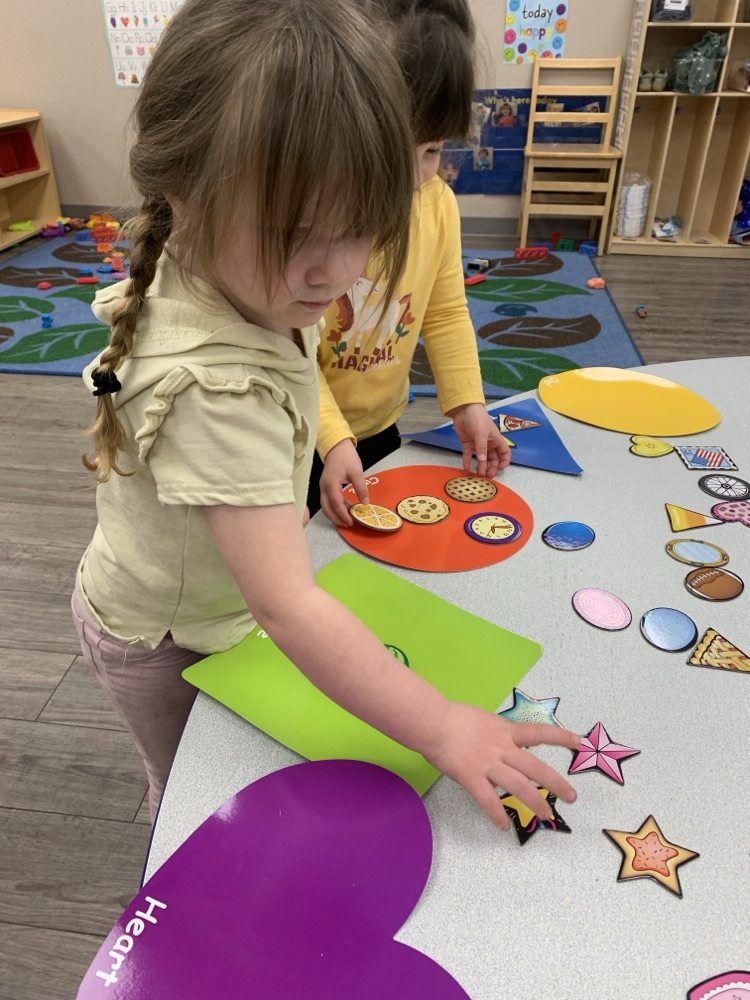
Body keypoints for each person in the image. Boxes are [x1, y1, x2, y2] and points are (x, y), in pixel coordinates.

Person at [73, 0, 580, 828]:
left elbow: (308, 356)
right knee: (198, 807)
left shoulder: (248, 280)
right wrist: (444, 724)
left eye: (363, 230)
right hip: (157, 642)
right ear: (184, 190)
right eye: (302, 232)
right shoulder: (217, 392)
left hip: (215, 608)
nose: (337, 274)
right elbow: (289, 604)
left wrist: (336, 434)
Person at [310, 0, 511, 525]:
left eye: (432, 150)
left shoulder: (438, 204)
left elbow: (444, 313)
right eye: (399, 149)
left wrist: (467, 403)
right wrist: (331, 441)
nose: (419, 174)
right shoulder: (318, 217)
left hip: (381, 427)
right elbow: (286, 349)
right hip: (298, 433)